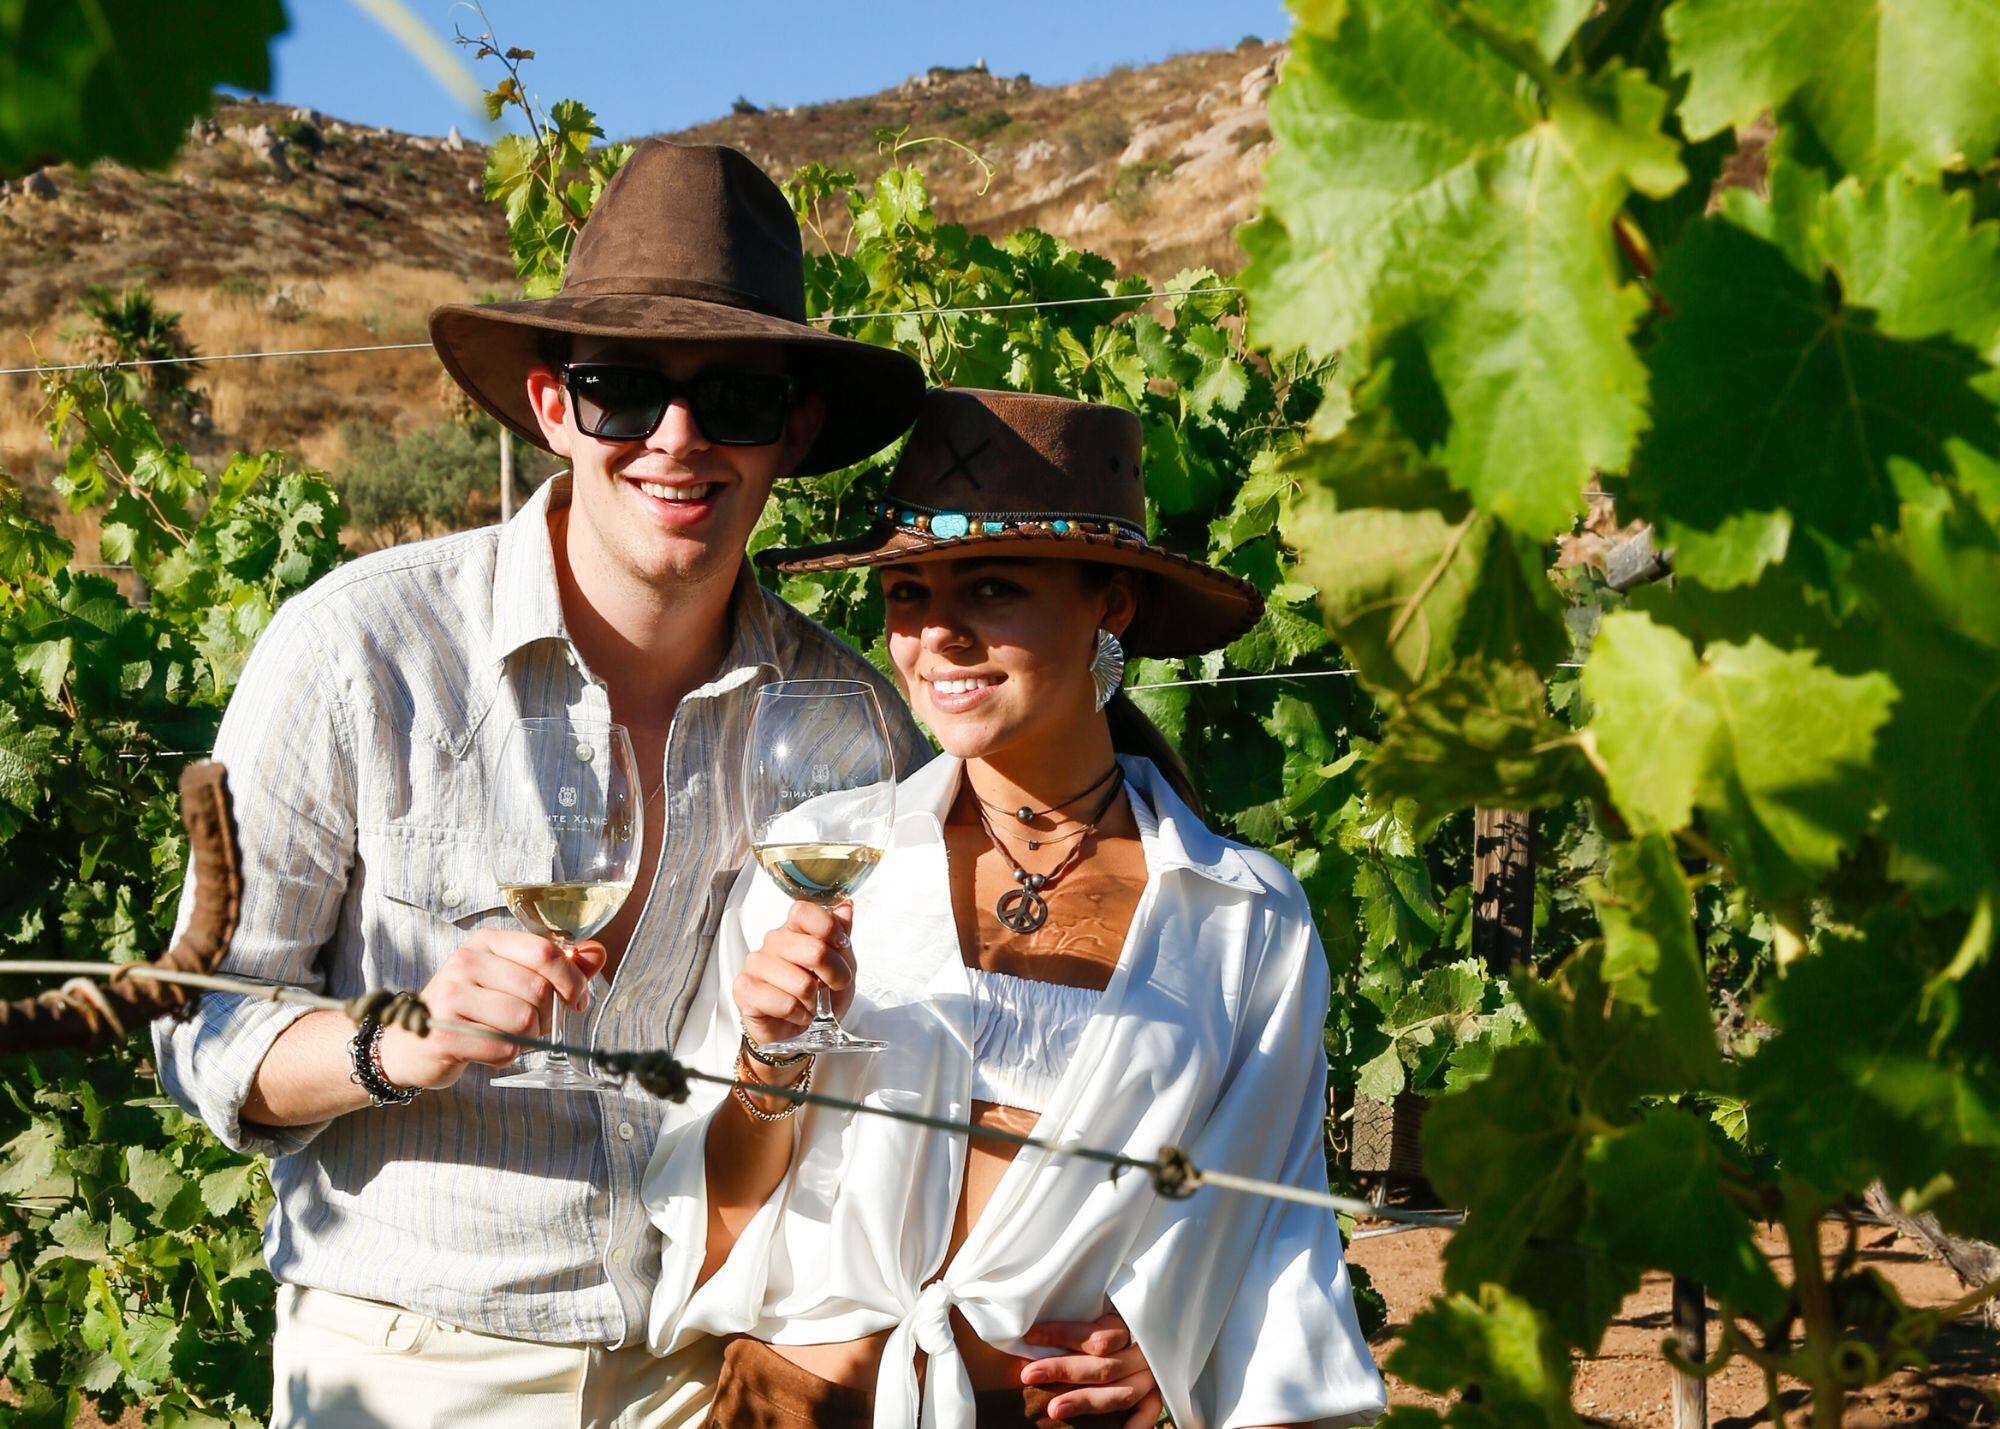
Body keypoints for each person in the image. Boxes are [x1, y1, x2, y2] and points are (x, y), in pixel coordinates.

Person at [154, 144, 1159, 1428]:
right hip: (415, 1361)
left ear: (792, 429)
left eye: (732, 395)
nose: (675, 440)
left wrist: (1141, 1295)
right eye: (626, 391)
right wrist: (396, 1041)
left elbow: (959, 1049)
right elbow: (201, 1031)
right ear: (554, 407)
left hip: (709, 1367)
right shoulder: (359, 653)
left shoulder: (850, 717)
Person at [643, 388, 1389, 1429]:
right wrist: (770, 1061)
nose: (935, 636)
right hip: (792, 1404)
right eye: (905, 594)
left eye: (989, 589)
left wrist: (1162, 1334)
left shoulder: (1242, 916)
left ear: (1110, 604)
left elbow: (1262, 1221)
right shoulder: (819, 861)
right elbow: (713, 1224)